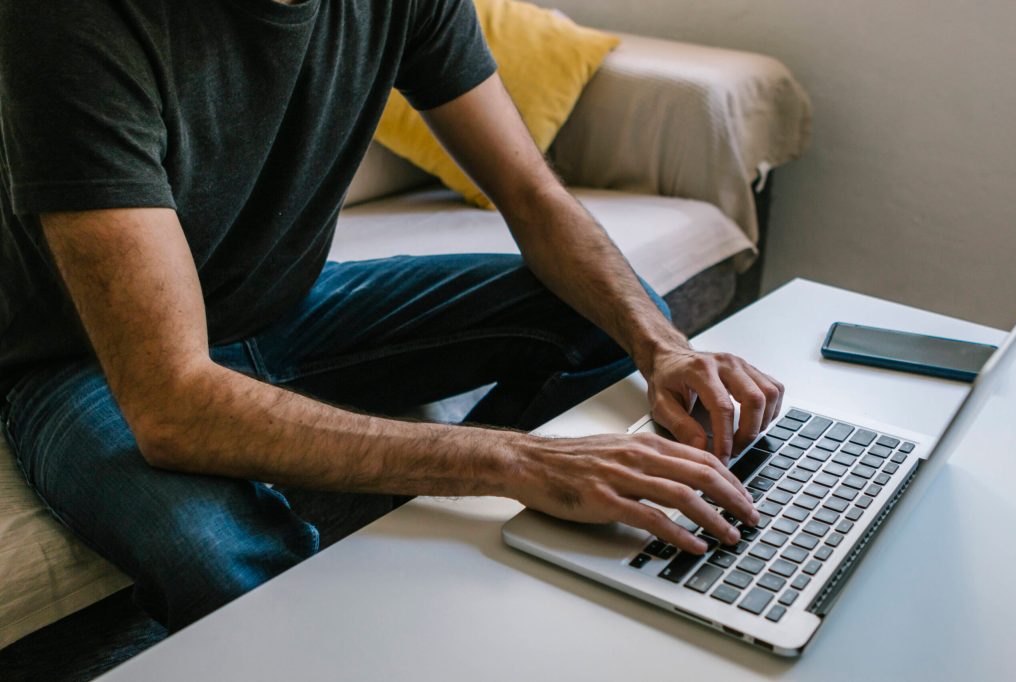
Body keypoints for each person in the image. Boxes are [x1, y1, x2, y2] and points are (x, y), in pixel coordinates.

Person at [0, 0, 782, 631]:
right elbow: (171, 403)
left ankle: (479, 578)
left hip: (287, 303)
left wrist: (663, 345)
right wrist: (517, 461)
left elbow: (533, 194)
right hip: (85, 359)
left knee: (610, 315)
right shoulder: (73, 20)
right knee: (220, 556)